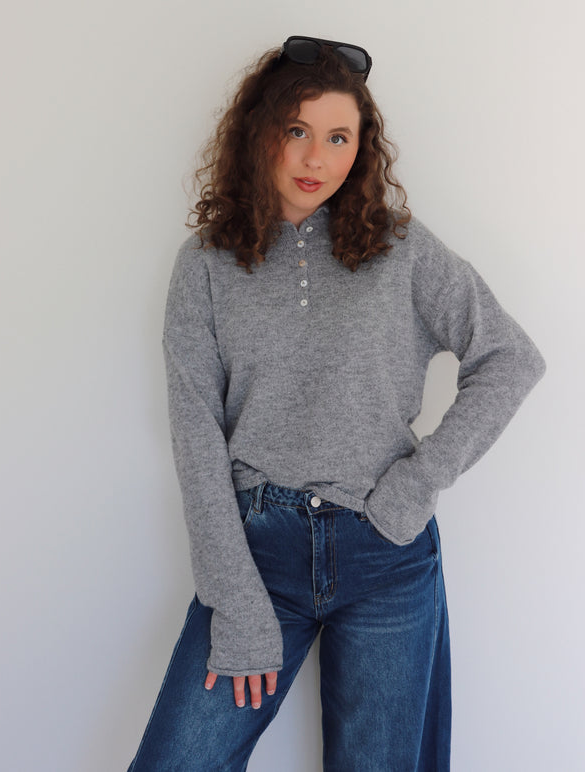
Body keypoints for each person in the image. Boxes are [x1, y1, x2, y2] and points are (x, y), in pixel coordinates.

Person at [127, 36, 545, 771]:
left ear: (362, 147)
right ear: (260, 132)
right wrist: (237, 601)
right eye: (297, 131)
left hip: (385, 558)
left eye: (339, 137)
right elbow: (197, 440)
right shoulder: (205, 266)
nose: (316, 158)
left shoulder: (402, 250)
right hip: (259, 556)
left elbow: (510, 358)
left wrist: (414, 488)